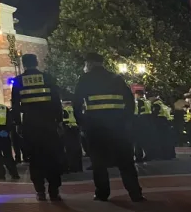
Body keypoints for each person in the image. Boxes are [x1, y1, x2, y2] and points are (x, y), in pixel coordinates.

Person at [74, 53, 145, 202]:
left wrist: (83, 124)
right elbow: (129, 101)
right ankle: (135, 193)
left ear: (90, 63)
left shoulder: (85, 79)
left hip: (95, 128)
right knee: (126, 162)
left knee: (98, 163)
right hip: (118, 127)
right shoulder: (116, 78)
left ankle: (102, 193)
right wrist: (126, 121)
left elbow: (77, 103)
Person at [11, 54, 63, 201]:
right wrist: (59, 121)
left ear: (23, 64)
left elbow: (15, 105)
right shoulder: (47, 77)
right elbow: (56, 101)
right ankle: (54, 191)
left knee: (35, 158)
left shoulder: (18, 81)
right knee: (52, 157)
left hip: (30, 125)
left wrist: (18, 124)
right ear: (37, 62)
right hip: (49, 124)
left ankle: (40, 191)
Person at [0, 91, 20, 180]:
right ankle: (14, 173)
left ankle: (1, 174)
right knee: (8, 154)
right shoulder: (4, 107)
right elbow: (10, 122)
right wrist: (6, 131)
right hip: (4, 133)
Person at [62, 100, 83, 173]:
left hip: (68, 128)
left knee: (70, 149)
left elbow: (61, 119)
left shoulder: (64, 110)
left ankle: (72, 167)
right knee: (77, 148)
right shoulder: (74, 109)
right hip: (75, 128)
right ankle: (79, 167)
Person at [133, 90, 154, 163]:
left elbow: (139, 111)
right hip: (147, 121)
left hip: (140, 121)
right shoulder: (148, 101)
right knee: (146, 139)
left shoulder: (139, 101)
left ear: (137, 94)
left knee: (138, 140)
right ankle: (149, 155)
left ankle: (138, 157)